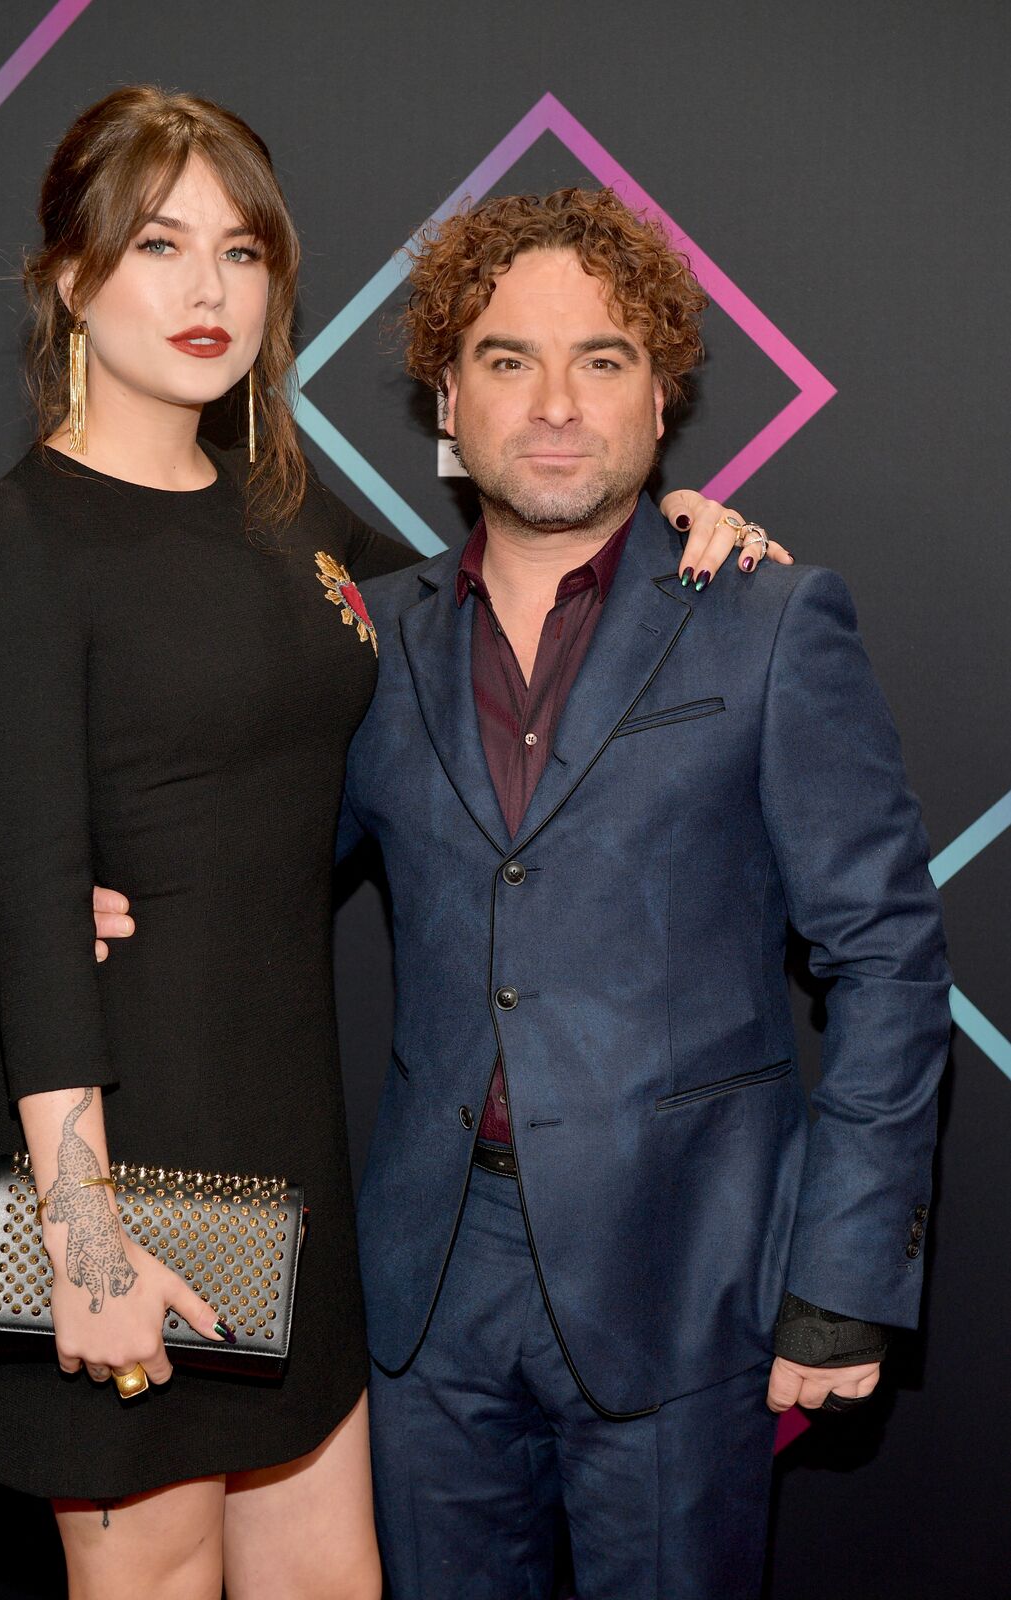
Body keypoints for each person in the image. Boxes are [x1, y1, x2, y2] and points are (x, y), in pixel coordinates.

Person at [0, 91, 760, 1600]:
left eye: (241, 253)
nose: (205, 293)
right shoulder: (19, 540)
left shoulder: (286, 508)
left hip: (290, 1151)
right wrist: (87, 1245)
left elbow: (495, 574)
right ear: (68, 279)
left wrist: (656, 523)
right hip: (123, 1152)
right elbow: (42, 922)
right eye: (158, 245)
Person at [332, 191, 949, 1598]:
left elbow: (887, 964)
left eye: (600, 359)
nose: (553, 403)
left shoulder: (769, 619)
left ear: (660, 394)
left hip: (686, 1281)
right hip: (426, 1289)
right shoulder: (365, 640)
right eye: (506, 359)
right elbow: (242, 865)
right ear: (447, 390)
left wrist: (841, 1280)